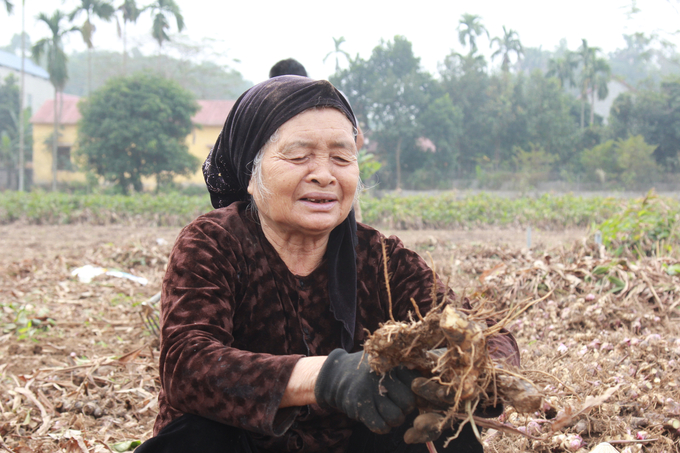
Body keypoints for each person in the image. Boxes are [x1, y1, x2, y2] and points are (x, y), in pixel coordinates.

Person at [135, 76, 519, 453]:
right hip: (241, 443)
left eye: (341, 158)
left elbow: (483, 331)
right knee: (201, 435)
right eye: (299, 156)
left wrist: (464, 368)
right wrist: (330, 377)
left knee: (436, 425)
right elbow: (187, 365)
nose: (323, 174)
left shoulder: (380, 259)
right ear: (251, 174)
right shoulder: (214, 242)